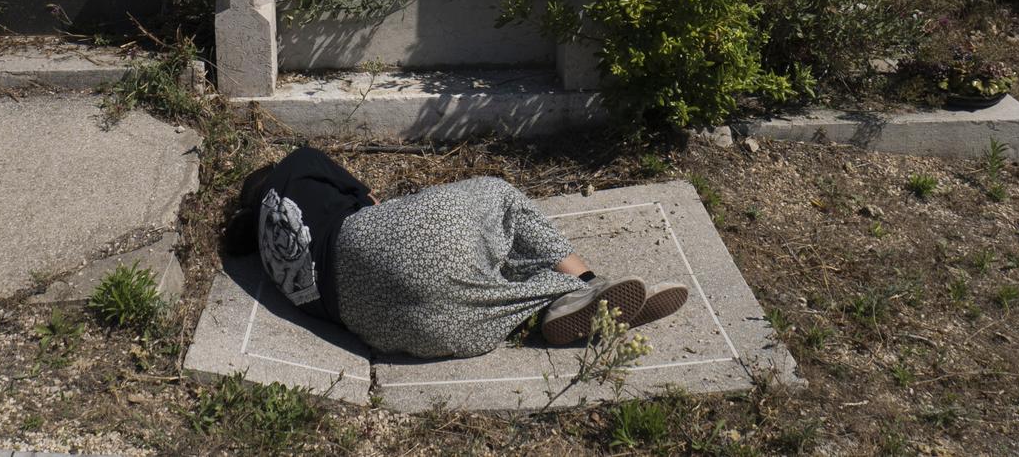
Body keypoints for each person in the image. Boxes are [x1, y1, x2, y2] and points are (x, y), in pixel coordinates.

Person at [223, 147, 688, 360]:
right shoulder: (297, 164)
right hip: (368, 242)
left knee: (475, 290)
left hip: (400, 330)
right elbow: (374, 204)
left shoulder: (263, 254)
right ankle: (587, 283)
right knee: (497, 198)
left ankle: (555, 301)